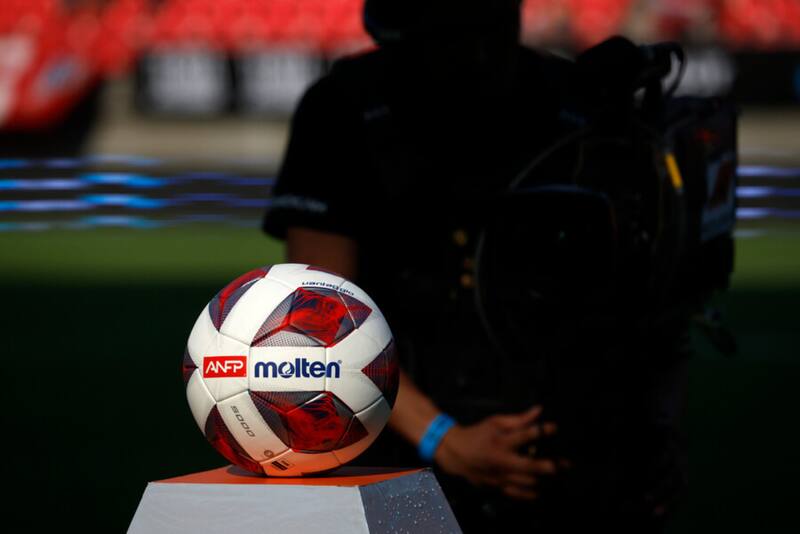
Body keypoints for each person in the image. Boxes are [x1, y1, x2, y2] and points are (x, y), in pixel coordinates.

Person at [262, 1, 688, 532]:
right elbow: (320, 312)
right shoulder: (344, 108)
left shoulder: (579, 103)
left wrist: (653, 429)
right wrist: (445, 439)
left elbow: (654, 299)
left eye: (487, 27)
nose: (475, 57)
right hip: (399, 462)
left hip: (570, 462)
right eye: (450, 35)